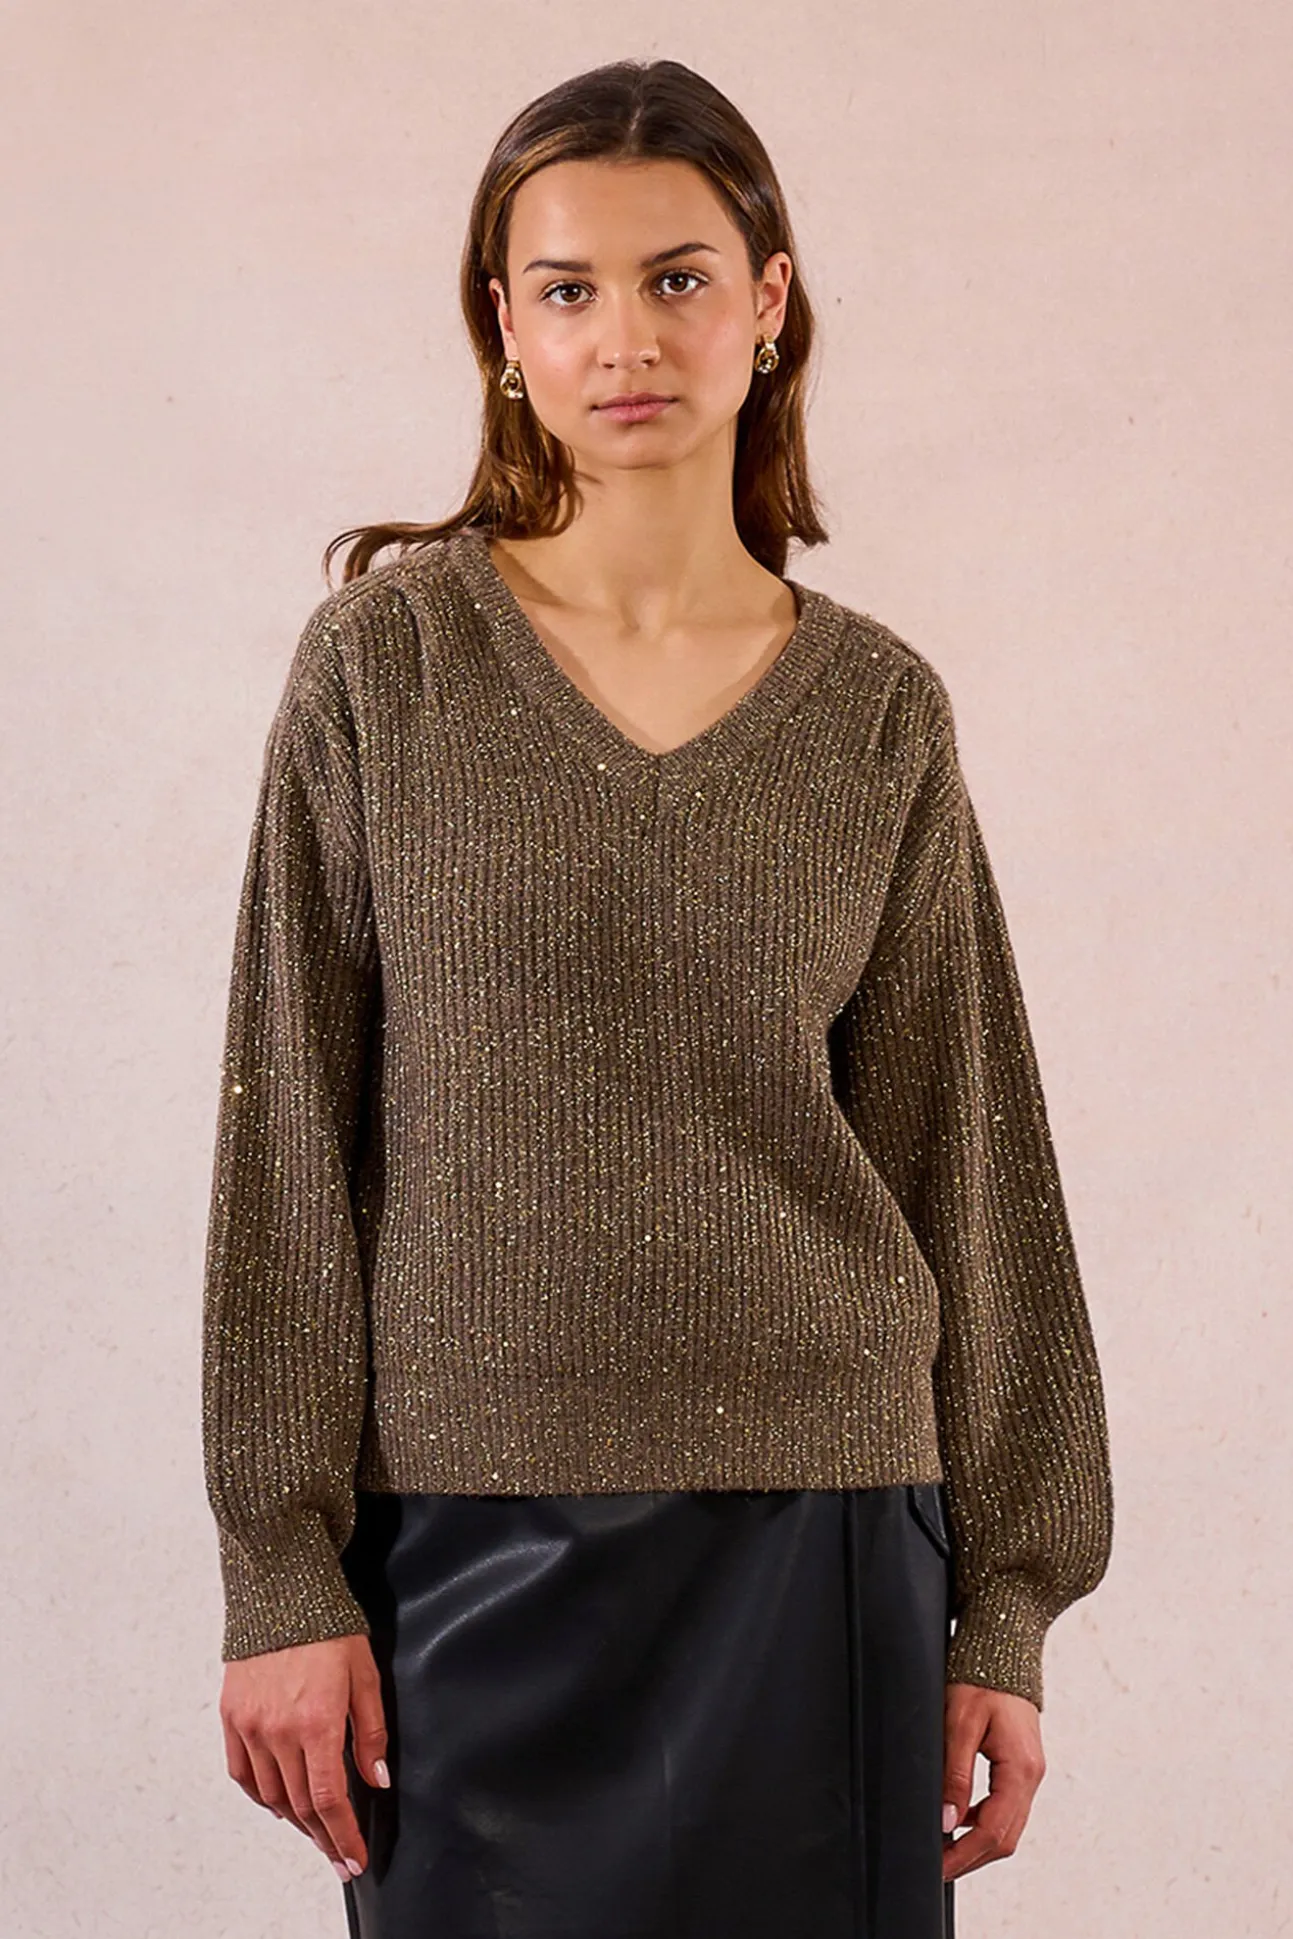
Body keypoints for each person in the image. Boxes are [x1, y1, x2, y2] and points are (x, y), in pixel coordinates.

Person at [201, 56, 1114, 1939]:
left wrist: (1007, 1609)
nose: (624, 335)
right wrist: (281, 1568)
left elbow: (967, 1152)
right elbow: (288, 1129)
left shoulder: (876, 712)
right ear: (503, 325)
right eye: (568, 287)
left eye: (678, 277)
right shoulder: (386, 670)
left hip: (826, 1540)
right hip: (461, 1547)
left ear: (768, 303)